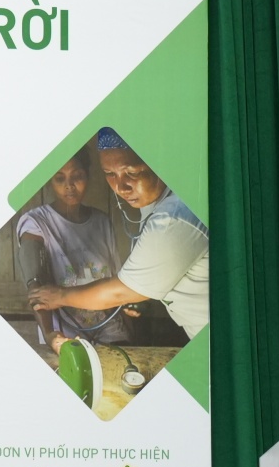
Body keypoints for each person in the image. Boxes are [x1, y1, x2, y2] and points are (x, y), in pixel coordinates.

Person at [28, 129, 209, 341]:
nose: (121, 187)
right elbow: (32, 273)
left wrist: (60, 296)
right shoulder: (36, 221)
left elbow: (122, 290)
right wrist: (49, 333)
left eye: (131, 172)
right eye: (110, 174)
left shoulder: (173, 218)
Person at [14, 148, 131, 349]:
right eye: (60, 179)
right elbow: (35, 286)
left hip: (110, 330)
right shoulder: (36, 222)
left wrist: (129, 319)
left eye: (77, 176)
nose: (69, 185)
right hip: (67, 335)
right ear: (50, 181)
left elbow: (118, 279)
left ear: (87, 176)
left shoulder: (102, 222)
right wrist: (50, 335)